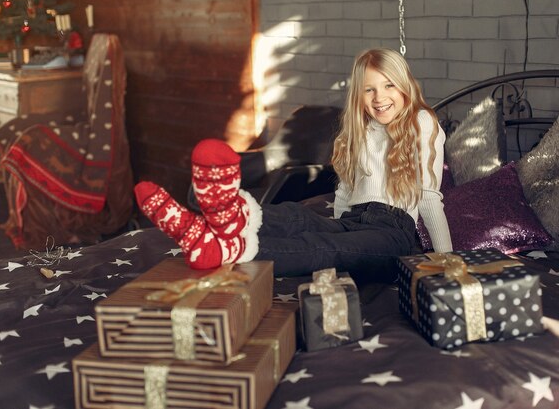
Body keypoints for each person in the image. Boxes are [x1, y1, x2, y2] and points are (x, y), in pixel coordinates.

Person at [134, 47, 452, 278]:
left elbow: (428, 196)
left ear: (405, 86)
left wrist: (449, 259)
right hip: (353, 220)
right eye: (369, 89)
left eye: (388, 85)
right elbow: (346, 191)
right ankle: (225, 216)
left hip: (392, 234)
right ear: (359, 94)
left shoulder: (421, 121)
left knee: (323, 248)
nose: (379, 97)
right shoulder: (361, 128)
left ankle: (224, 247)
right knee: (296, 217)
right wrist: (337, 225)